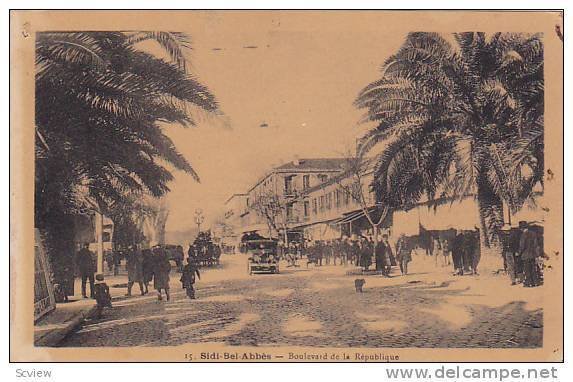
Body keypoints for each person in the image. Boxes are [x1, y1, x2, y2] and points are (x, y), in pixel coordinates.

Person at [519, 221, 542, 287]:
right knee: (533, 268)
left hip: (526, 255)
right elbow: (536, 245)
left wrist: (519, 252)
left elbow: (522, 246)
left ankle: (528, 283)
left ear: (522, 228)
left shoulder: (523, 235)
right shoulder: (533, 234)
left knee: (527, 269)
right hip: (533, 254)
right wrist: (537, 254)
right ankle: (536, 282)